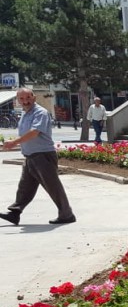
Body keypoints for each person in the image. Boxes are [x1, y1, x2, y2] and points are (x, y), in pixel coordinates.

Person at [0, 88, 76, 226]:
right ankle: (15, 213)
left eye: (28, 97)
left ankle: (67, 214)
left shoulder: (40, 113)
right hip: (30, 156)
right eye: (22, 99)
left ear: (34, 97)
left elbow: (34, 132)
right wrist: (15, 143)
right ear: (18, 100)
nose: (25, 101)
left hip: (43, 155)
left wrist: (14, 142)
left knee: (53, 186)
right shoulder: (25, 113)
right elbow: (27, 135)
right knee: (25, 187)